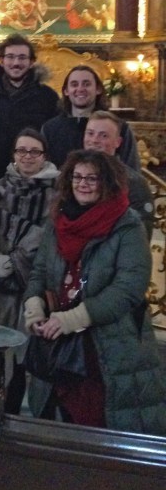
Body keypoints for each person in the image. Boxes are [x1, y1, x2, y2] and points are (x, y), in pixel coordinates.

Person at [23, 150, 166, 433]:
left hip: (108, 346)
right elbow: (40, 270)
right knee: (55, 425)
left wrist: (73, 319)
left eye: (92, 178)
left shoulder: (127, 225)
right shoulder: (58, 220)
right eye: (77, 177)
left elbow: (128, 288)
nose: (83, 184)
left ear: (107, 182)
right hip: (58, 342)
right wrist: (34, 306)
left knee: (98, 427)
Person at [0, 129, 58, 413]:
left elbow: (49, 238)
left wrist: (15, 261)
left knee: (25, 357)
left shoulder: (57, 192)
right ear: (13, 154)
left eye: (34, 151)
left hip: (32, 287)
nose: (27, 156)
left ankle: (18, 416)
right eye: (21, 150)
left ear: (44, 156)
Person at [0, 34, 59, 180]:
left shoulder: (47, 96)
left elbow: (51, 137)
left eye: (22, 57)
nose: (16, 63)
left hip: (33, 173)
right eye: (10, 57)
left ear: (31, 62)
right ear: (2, 61)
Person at [41, 65, 140, 170]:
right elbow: (43, 169)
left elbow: (131, 170)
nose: (80, 89)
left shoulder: (119, 127)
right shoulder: (50, 128)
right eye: (74, 84)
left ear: (98, 89)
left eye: (86, 84)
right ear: (66, 91)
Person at [83, 111, 154, 239]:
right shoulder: (71, 176)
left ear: (118, 142)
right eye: (90, 133)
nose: (94, 140)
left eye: (103, 135)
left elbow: (140, 236)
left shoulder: (134, 183)